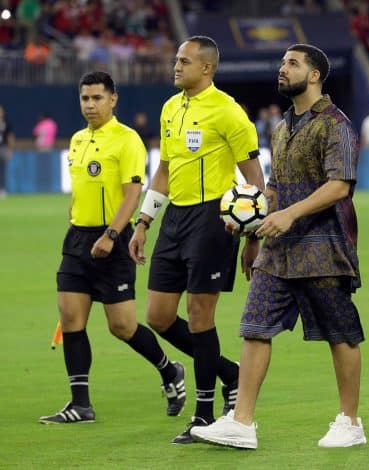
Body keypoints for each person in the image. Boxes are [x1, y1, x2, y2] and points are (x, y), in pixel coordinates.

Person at [190, 43, 366, 450]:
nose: (282, 69)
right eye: (283, 62)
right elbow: (274, 186)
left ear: (315, 75)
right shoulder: (282, 125)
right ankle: (242, 422)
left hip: (324, 245)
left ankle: (350, 422)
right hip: (277, 249)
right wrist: (252, 228)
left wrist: (290, 214)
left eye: (292, 63)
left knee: (341, 334)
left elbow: (340, 185)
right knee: (255, 327)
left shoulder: (336, 124)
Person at [128, 36, 265, 444]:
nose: (176, 66)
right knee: (158, 315)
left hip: (212, 219)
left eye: (184, 61)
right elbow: (164, 171)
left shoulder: (228, 112)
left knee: (201, 315)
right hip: (175, 218)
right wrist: (143, 222)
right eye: (176, 60)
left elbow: (254, 179)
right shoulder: (171, 108)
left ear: (207, 68)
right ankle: (229, 373)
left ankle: (204, 416)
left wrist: (252, 235)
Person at [39, 71, 185, 424]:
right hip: (76, 240)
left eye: (97, 98)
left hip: (111, 240)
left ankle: (170, 372)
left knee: (121, 326)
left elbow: (132, 194)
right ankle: (80, 404)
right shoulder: (76, 140)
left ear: (113, 99)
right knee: (71, 318)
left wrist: (112, 234)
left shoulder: (127, 140)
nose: (90, 105)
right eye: (85, 98)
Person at [0, 105, 15, 197]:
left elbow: (10, 137)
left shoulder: (6, 123)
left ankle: (2, 189)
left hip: (3, 148)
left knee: (3, 170)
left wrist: (10, 149)